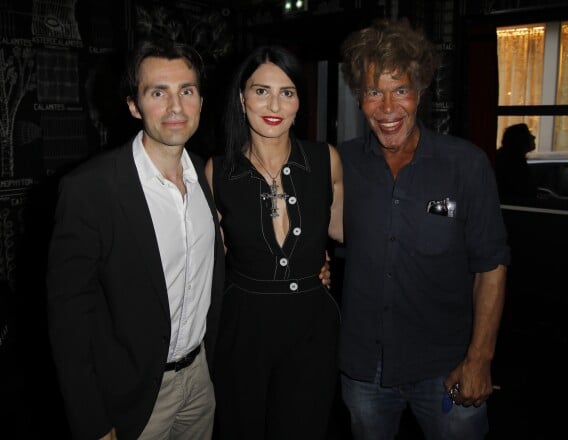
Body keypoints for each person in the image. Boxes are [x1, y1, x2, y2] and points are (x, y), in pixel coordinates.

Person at [337, 18, 511, 440]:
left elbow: (491, 265)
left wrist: (480, 358)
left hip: (447, 368)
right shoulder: (340, 164)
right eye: (374, 92)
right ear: (360, 98)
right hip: (364, 372)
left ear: (421, 92)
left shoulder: (465, 165)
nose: (388, 108)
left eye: (401, 90)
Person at [45, 38, 226, 440]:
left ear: (200, 101)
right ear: (133, 105)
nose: (175, 107)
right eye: (158, 93)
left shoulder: (209, 177)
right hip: (132, 397)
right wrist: (92, 420)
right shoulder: (90, 190)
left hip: (200, 382)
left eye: (187, 91)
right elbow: (68, 321)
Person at [205, 45, 344, 439]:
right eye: (261, 90)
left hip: (311, 328)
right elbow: (212, 257)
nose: (274, 104)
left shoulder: (325, 160)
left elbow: (349, 231)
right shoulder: (219, 170)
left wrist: (320, 259)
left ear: (300, 102)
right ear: (241, 98)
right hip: (242, 326)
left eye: (287, 92)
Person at [495, 123, 537, 200]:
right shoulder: (514, 163)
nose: (534, 137)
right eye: (529, 134)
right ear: (521, 140)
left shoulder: (507, 157)